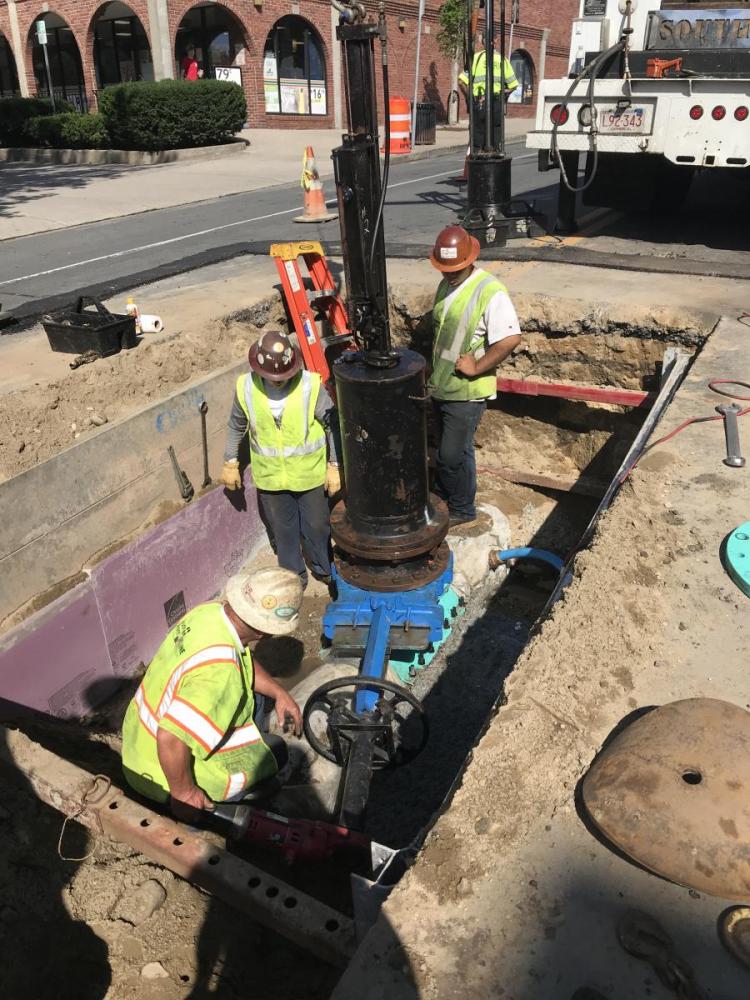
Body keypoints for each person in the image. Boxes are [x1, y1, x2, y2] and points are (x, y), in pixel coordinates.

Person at [122, 567, 304, 822]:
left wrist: (278, 691)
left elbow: (245, 659)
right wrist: (184, 795)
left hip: (137, 745)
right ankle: (216, 811)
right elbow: (171, 738)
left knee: (260, 699)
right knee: (276, 752)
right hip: (159, 774)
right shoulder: (220, 673)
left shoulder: (209, 614)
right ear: (267, 632)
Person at [221, 329, 340, 588]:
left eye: (284, 376)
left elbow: (333, 424)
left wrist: (335, 465)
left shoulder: (310, 385)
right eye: (273, 378)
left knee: (318, 526)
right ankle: (293, 577)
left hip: (308, 475)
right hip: (271, 478)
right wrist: (231, 461)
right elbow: (235, 425)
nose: (279, 381)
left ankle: (323, 567)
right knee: (284, 532)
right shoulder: (246, 388)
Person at [428, 225, 522, 526]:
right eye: (445, 269)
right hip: (443, 385)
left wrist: (477, 367)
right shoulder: (446, 284)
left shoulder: (490, 291)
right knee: (450, 452)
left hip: (467, 391)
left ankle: (462, 509)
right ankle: (445, 498)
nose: (449, 273)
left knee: (451, 456)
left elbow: (509, 339)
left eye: (455, 268)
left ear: (470, 260)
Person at [459, 28, 518, 140]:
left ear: (482, 41)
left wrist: (469, 96)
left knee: (477, 134)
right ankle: (495, 150)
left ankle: (478, 151)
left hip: (478, 102)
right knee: (496, 133)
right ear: (496, 40)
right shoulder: (502, 60)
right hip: (496, 103)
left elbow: (461, 82)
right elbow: (513, 85)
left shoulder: (475, 58)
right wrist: (504, 93)